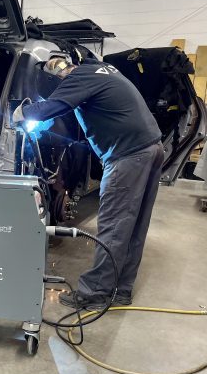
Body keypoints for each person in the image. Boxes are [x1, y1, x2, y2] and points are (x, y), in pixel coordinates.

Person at [13, 56, 164, 310]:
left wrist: (21, 113)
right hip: (151, 148)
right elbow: (66, 108)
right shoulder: (99, 70)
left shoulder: (78, 78)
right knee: (134, 225)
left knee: (114, 226)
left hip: (128, 155)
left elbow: (52, 107)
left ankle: (95, 293)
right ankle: (121, 289)